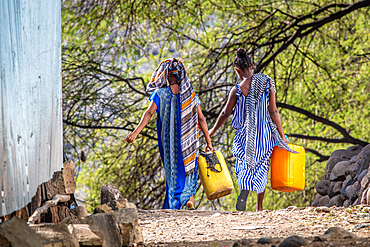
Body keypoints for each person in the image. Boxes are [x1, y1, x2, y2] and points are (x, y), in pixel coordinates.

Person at [209, 48, 296, 211]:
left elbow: (225, 113)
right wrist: (282, 135)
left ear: (237, 71)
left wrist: (212, 132)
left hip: (246, 135)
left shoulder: (237, 90)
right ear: (253, 66)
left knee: (245, 164)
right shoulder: (267, 83)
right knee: (262, 166)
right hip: (264, 134)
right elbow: (273, 111)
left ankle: (245, 191)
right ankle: (259, 206)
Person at [126, 58, 213, 210]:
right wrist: (208, 141)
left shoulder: (160, 94)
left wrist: (135, 133)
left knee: (173, 169)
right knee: (189, 168)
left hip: (170, 142)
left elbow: (148, 113)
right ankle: (189, 197)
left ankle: (175, 203)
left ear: (167, 75)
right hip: (189, 140)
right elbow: (202, 118)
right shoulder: (190, 95)